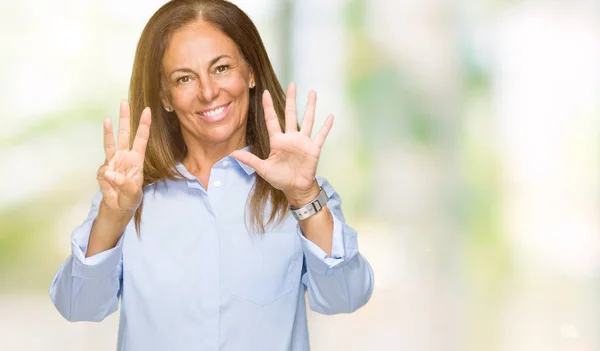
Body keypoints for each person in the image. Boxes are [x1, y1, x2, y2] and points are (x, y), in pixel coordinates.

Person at [49, 0, 374, 350]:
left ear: (250, 72)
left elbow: (346, 297)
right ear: (165, 96)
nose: (207, 92)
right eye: (184, 78)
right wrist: (112, 217)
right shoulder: (128, 197)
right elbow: (77, 306)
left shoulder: (304, 193)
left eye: (220, 68)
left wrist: (305, 197)